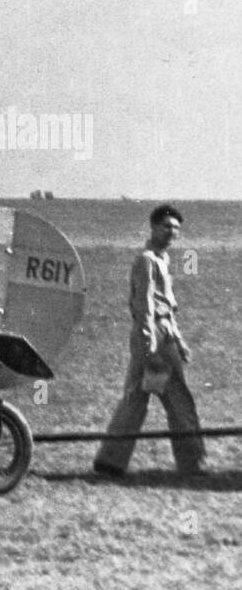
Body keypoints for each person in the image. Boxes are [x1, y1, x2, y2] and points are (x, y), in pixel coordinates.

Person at [93, 204, 206, 478]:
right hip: (152, 333)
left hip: (161, 332)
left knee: (134, 398)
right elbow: (145, 307)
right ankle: (192, 463)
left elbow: (165, 305)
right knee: (179, 400)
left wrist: (179, 340)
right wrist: (150, 349)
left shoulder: (162, 260)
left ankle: (110, 460)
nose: (172, 232)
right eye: (167, 226)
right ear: (153, 227)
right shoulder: (146, 260)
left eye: (176, 228)